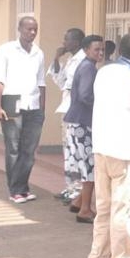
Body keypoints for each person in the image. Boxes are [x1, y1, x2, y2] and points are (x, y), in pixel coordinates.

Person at [86, 34, 130, 258]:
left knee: (103, 206)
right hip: (124, 151)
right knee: (122, 209)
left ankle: (99, 255)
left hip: (101, 147)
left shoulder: (102, 72)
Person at [0, 17, 45, 204]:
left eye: (35, 29)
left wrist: (42, 110)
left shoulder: (38, 53)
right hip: (11, 101)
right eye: (28, 29)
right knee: (14, 148)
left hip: (33, 104)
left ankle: (22, 188)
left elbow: (41, 83)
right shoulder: (6, 50)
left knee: (29, 150)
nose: (32, 33)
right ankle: (16, 189)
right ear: (19, 29)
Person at [63, 35, 105, 223]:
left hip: (76, 121)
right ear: (87, 50)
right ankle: (86, 210)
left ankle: (80, 201)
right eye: (96, 49)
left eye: (102, 49)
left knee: (84, 165)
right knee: (90, 167)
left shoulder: (86, 65)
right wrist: (103, 104)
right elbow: (86, 95)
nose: (100, 53)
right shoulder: (88, 68)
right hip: (83, 123)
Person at [47, 27, 85, 203]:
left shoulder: (82, 60)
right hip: (66, 110)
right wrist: (56, 58)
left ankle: (77, 190)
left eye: (67, 39)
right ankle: (70, 187)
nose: (64, 42)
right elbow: (60, 81)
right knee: (68, 151)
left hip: (75, 112)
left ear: (76, 42)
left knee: (75, 152)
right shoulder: (71, 59)